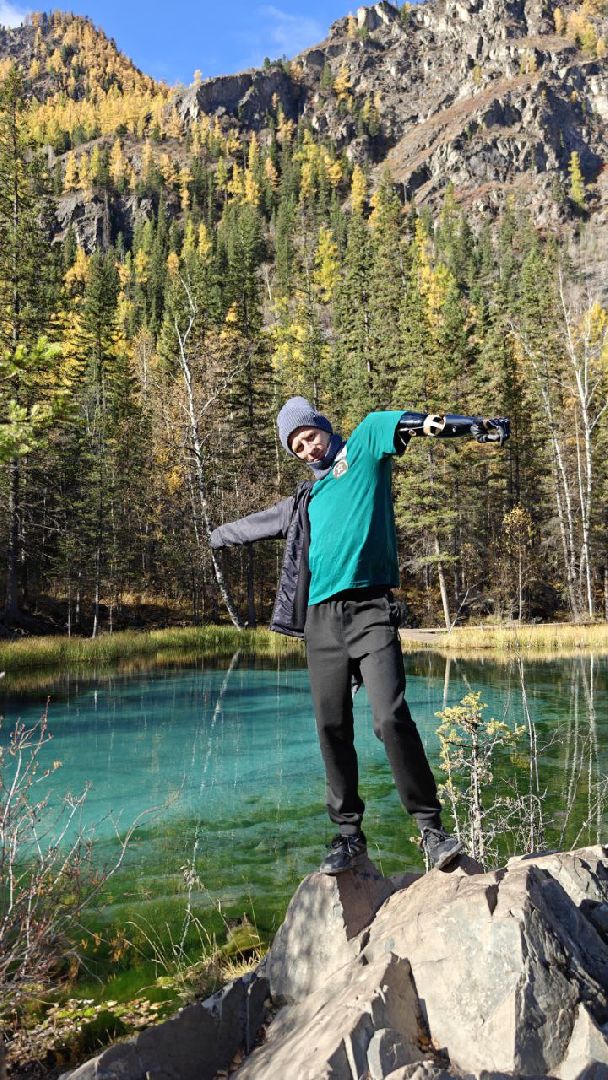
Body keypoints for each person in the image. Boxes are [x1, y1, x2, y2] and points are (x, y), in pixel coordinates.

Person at [210, 398, 509, 875]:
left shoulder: (367, 441)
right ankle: (349, 836)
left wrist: (472, 426)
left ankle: (432, 831)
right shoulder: (306, 499)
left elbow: (420, 423)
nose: (307, 448)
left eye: (309, 436)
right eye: (296, 446)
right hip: (321, 622)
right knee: (331, 727)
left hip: (371, 609)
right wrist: (217, 535)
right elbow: (261, 522)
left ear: (324, 427)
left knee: (389, 717)